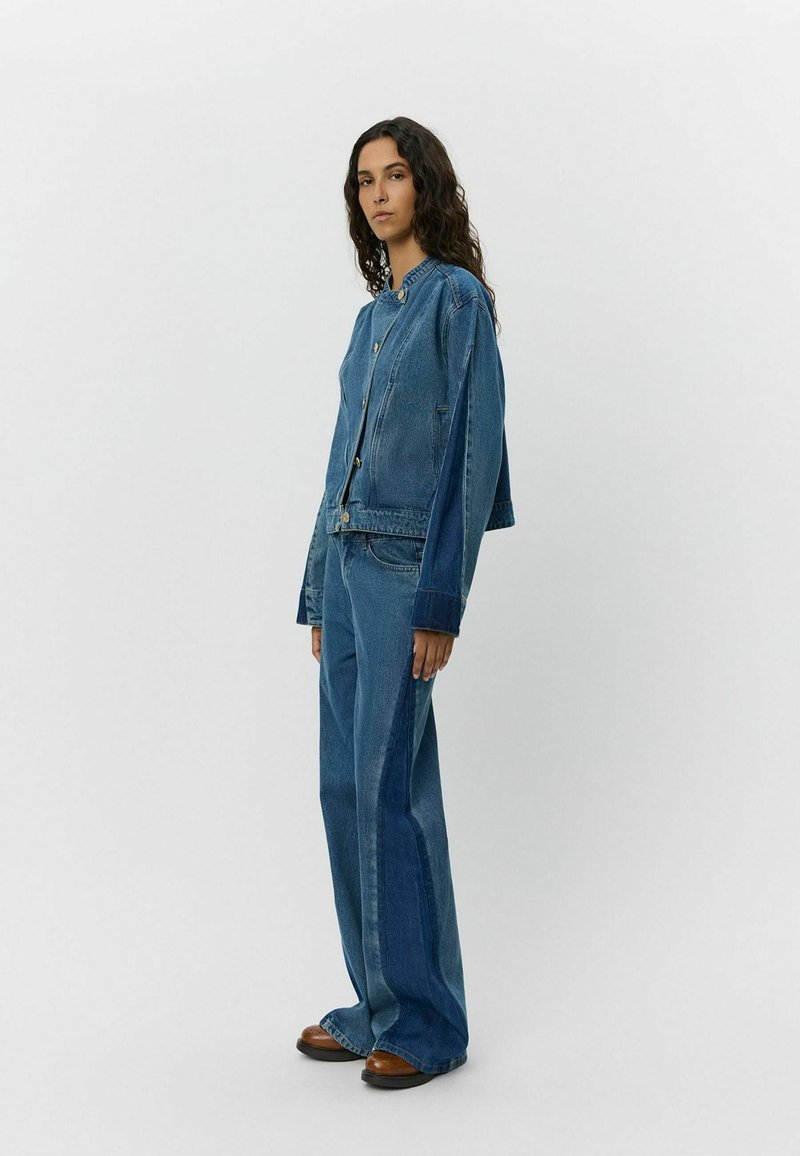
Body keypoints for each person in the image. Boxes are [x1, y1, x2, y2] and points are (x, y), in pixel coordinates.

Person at [294, 116, 515, 1089]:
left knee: (390, 788)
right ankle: (375, 1003)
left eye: (392, 175)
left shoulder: (455, 301)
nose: (377, 193)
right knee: (343, 789)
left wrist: (439, 600)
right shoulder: (369, 319)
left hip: (399, 569)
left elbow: (471, 457)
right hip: (344, 568)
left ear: (424, 185)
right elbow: (335, 459)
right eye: (363, 181)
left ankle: (426, 1024)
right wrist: (315, 590)